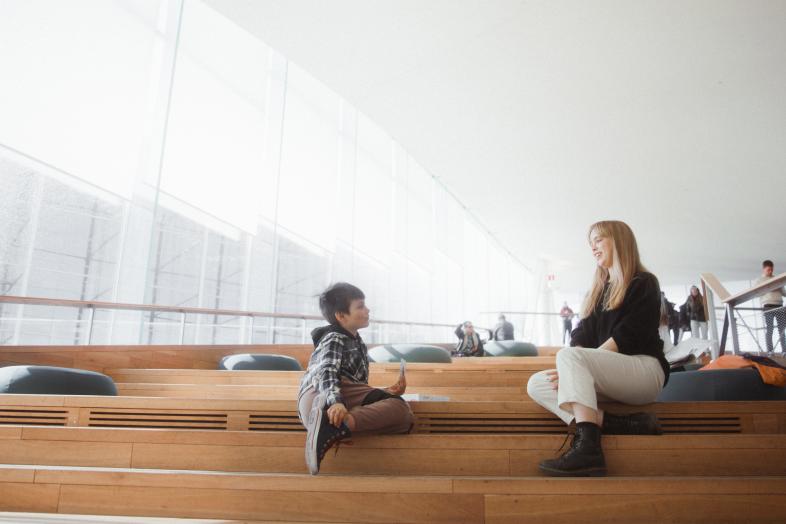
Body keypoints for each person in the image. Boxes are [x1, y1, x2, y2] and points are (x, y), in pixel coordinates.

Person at [527, 220, 669, 477]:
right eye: (591, 243)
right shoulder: (598, 292)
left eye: (599, 240)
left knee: (569, 357)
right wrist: (577, 367)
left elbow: (627, 335)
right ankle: (621, 423)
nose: (593, 248)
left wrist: (579, 365)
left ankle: (588, 449)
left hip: (644, 371)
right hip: (608, 376)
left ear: (619, 241)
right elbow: (581, 333)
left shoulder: (645, 282)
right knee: (536, 384)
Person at [298, 282, 413, 475]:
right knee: (401, 407)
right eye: (360, 306)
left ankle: (335, 430)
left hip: (339, 398)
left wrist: (385, 392)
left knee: (405, 420)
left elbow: (358, 387)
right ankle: (331, 428)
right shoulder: (335, 337)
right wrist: (334, 402)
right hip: (320, 397)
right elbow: (327, 370)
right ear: (341, 316)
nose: (367, 310)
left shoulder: (357, 342)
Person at [755, 260, 786, 354]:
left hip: (779, 305)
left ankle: (784, 350)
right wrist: (769, 288)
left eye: (772, 269)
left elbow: (783, 292)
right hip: (768, 305)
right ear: (764, 269)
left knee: (782, 329)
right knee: (770, 328)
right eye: (768, 270)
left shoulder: (777, 278)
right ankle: (770, 350)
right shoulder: (759, 281)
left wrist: (777, 287)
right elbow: (757, 294)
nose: (770, 272)